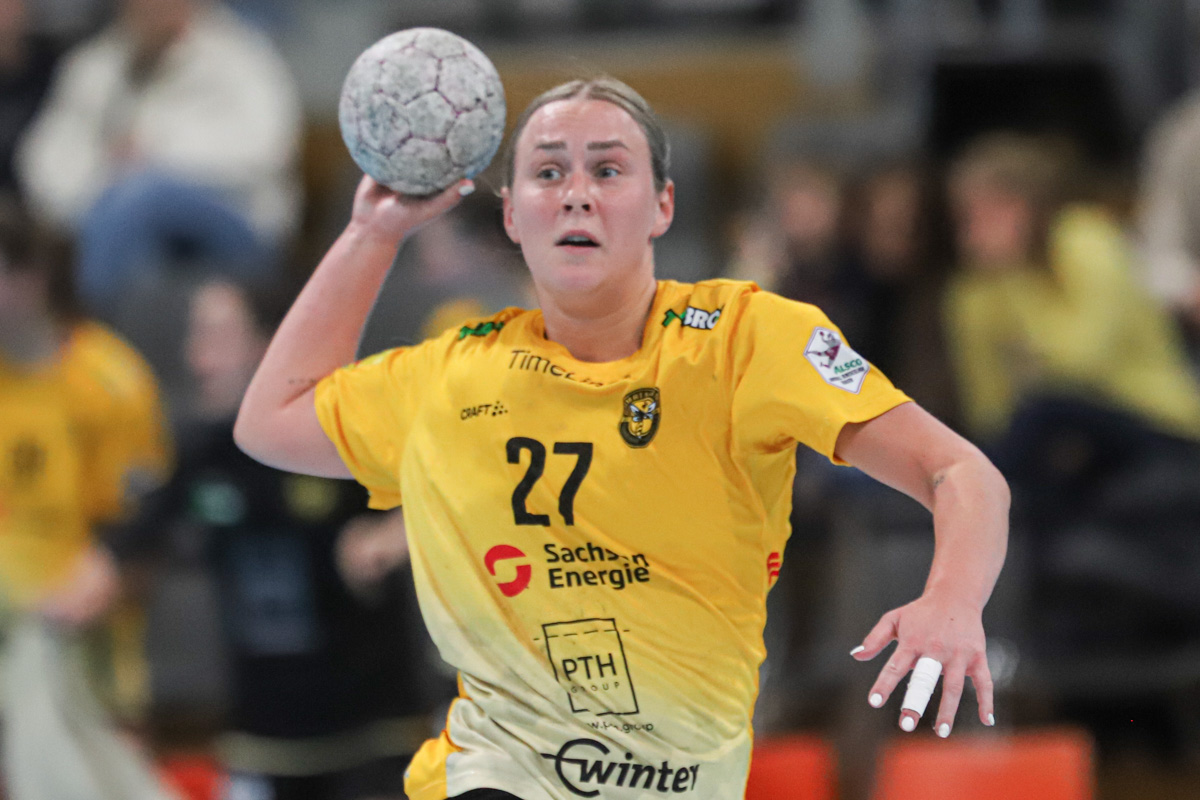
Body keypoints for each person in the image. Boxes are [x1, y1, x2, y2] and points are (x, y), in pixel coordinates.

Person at [234, 77, 1009, 800]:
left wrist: (952, 598)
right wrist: (372, 233)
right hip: (496, 771)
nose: (577, 193)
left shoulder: (746, 339)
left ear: (663, 206)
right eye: (547, 173)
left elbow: (960, 472)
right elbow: (270, 421)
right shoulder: (452, 373)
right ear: (512, 216)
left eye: (608, 171)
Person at [113, 277, 448, 800]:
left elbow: (458, 479)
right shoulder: (199, 454)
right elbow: (119, 555)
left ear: (271, 344)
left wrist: (393, 533)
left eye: (216, 338)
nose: (197, 359)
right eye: (195, 338)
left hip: (373, 727)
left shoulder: (340, 429)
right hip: (261, 734)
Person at [0, 200, 173, 799]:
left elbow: (143, 535)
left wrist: (93, 588)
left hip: (82, 640)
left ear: (29, 279)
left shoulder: (108, 381)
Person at [943, 132, 1200, 524]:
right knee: (1036, 458)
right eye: (967, 217)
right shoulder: (978, 290)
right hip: (1068, 431)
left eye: (990, 212)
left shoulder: (1084, 239)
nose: (976, 231)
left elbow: (1083, 364)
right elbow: (988, 406)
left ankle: (949, 486)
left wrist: (1014, 276)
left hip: (1153, 417)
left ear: (1027, 204)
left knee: (1047, 412)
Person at [13, 0, 302, 318]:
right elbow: (44, 161)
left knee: (143, 195)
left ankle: (88, 325)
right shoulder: (95, 64)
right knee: (130, 227)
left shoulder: (240, 55)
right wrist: (103, 182)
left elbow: (266, 146)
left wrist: (155, 154)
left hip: (234, 219)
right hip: (117, 218)